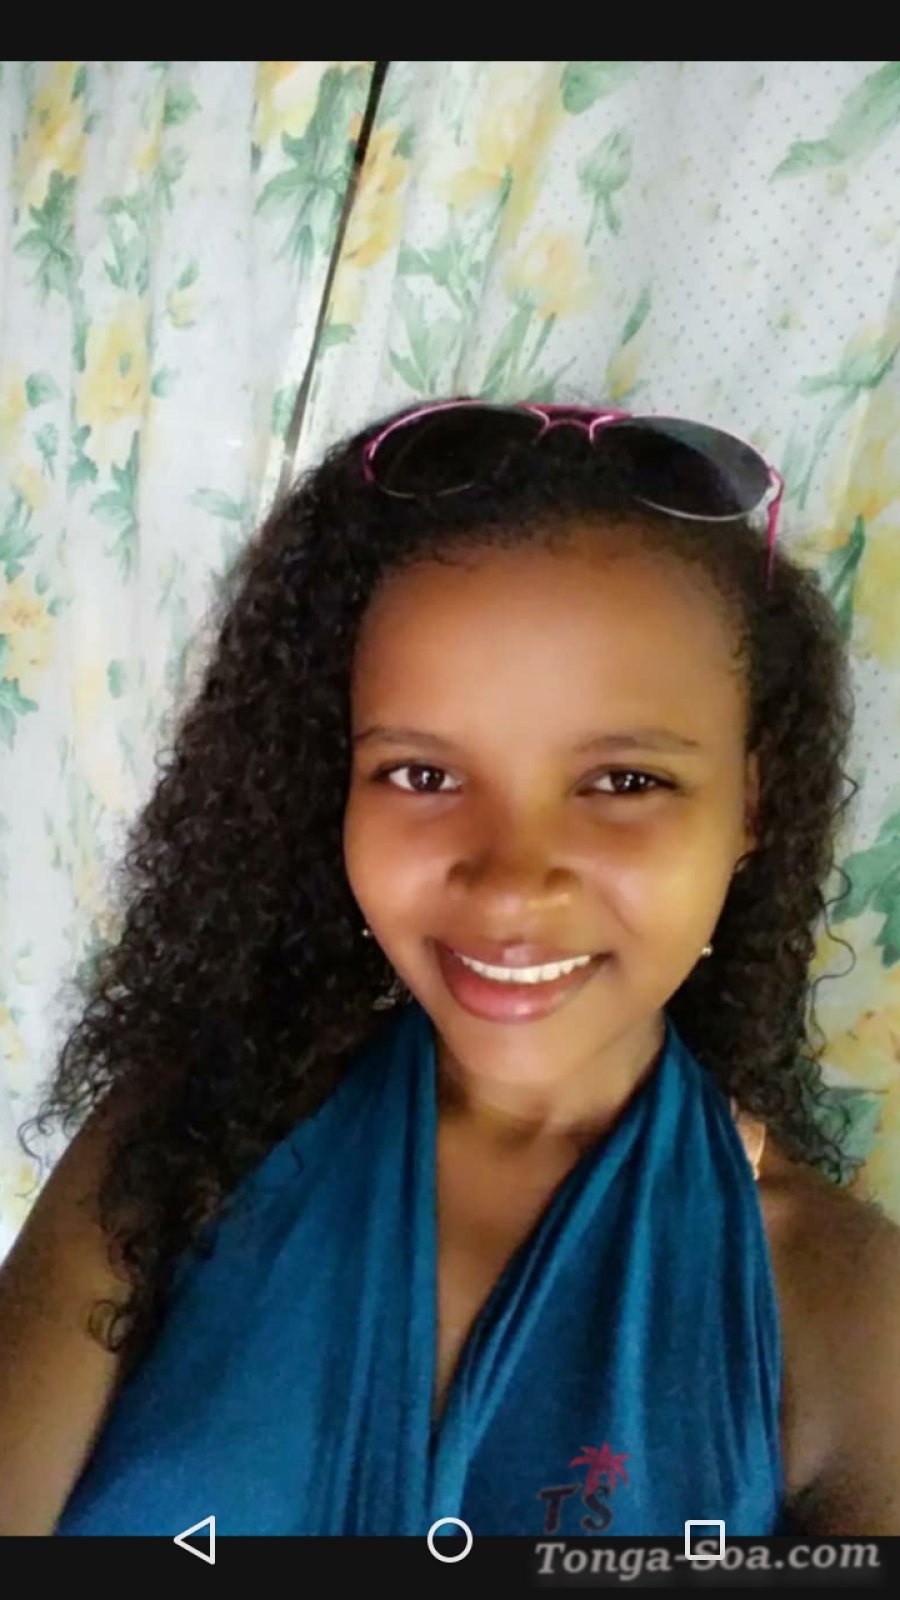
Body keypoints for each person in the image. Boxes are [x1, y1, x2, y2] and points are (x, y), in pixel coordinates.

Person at [1, 400, 898, 1538]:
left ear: (751, 806)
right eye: (421, 775)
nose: (511, 887)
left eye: (624, 782)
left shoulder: (840, 1303)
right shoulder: (179, 1145)